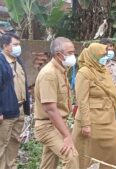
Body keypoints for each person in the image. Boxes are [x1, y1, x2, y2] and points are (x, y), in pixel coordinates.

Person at [72, 43, 116, 169]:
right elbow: (82, 101)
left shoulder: (103, 70)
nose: (105, 58)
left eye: (106, 55)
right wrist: (85, 124)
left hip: (108, 118)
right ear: (93, 56)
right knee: (91, 152)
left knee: (115, 145)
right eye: (103, 55)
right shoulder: (84, 73)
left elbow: (112, 92)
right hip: (92, 120)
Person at [34, 37, 79, 169]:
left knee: (49, 163)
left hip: (56, 124)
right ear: (59, 55)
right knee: (71, 156)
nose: (73, 56)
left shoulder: (61, 70)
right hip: (47, 126)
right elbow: (50, 109)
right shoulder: (49, 74)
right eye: (70, 53)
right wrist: (67, 136)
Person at [0, 33, 30, 169]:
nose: (19, 48)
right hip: (5, 111)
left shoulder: (18, 61)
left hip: (19, 108)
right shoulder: (1, 62)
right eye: (15, 45)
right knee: (2, 143)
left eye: (19, 45)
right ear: (5, 46)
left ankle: (9, 166)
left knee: (14, 141)